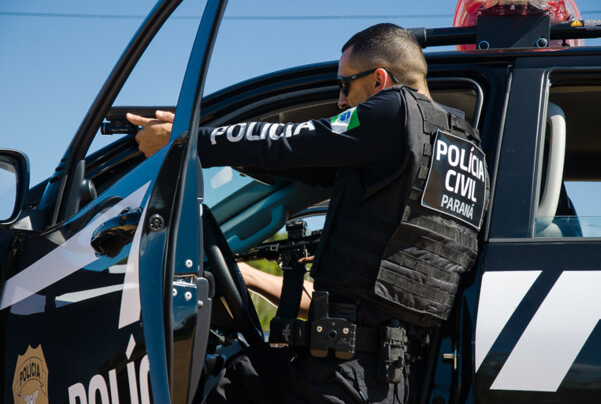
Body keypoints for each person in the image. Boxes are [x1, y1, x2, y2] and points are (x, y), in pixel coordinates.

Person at [128, 23, 487, 404]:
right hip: (389, 373)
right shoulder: (465, 148)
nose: (340, 100)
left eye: (345, 84)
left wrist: (186, 141)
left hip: (348, 371)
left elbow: (292, 142)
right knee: (242, 377)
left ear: (380, 80)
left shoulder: (394, 111)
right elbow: (308, 166)